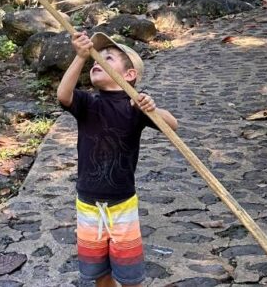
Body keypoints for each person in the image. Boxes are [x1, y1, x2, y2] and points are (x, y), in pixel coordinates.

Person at [58, 32, 179, 287]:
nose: (96, 61)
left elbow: (172, 125)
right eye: (94, 59)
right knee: (99, 273)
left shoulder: (136, 107)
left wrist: (152, 108)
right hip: (88, 203)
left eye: (107, 58)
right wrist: (79, 57)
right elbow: (63, 95)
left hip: (122, 205)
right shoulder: (88, 103)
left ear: (129, 75)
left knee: (129, 274)